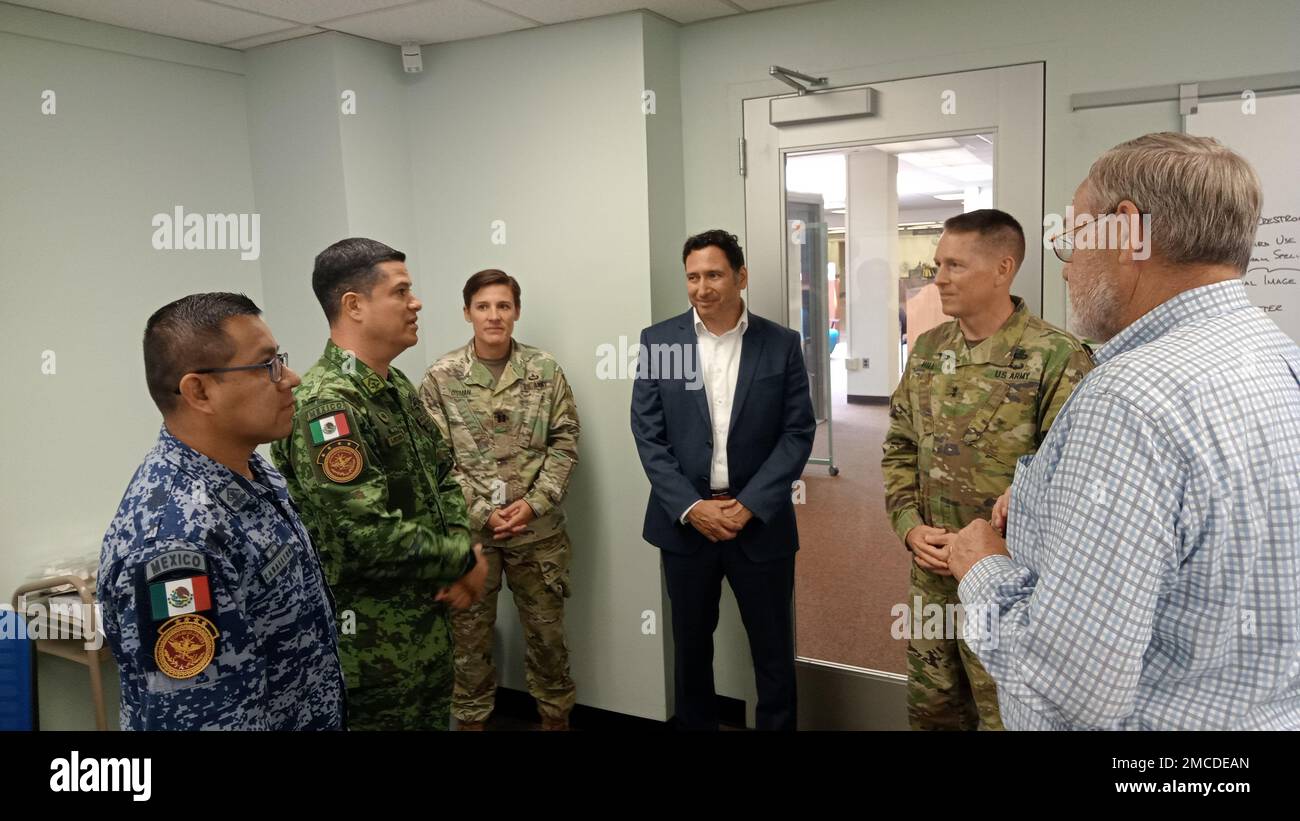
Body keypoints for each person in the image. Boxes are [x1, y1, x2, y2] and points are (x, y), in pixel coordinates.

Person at [951, 132, 1300, 729]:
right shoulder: (1279, 357)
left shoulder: (1131, 400)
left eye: (1073, 238)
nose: (1067, 268)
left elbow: (1067, 688)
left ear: (1127, 232)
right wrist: (1051, 507)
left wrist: (980, 566)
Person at [881, 209, 1093, 730]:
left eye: (955, 265)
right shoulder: (929, 351)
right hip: (932, 575)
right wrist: (909, 529)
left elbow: (1068, 485)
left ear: (1003, 268)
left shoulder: (1056, 357)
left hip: (1010, 584)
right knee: (934, 712)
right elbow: (899, 448)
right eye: (938, 264)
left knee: (1007, 715)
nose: (940, 278)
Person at [100, 292, 344, 730]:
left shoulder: (251, 470)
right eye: (266, 364)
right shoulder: (175, 545)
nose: (292, 378)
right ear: (199, 390)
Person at [272, 237, 486, 731]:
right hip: (370, 650)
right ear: (354, 305)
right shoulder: (327, 403)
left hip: (425, 630)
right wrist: (463, 559)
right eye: (401, 291)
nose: (416, 302)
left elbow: (442, 476)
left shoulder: (392, 386)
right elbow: (363, 531)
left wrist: (460, 544)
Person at [631, 229, 815, 731]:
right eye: (692, 276)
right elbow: (649, 435)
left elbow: (797, 432)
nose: (702, 287)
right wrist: (692, 507)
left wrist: (751, 503)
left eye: (714, 274)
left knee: (774, 654)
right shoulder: (661, 342)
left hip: (760, 524)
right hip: (686, 526)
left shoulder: (779, 344)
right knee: (690, 652)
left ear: (741, 277)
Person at [421, 269, 580, 731]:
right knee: (469, 642)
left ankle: (556, 720)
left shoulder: (544, 370)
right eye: (484, 306)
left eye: (504, 306)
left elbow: (566, 443)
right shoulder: (440, 377)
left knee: (549, 638)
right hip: (472, 537)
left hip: (539, 533)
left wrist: (533, 504)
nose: (494, 316)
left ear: (516, 312)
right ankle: (471, 723)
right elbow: (435, 461)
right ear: (467, 312)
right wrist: (483, 512)